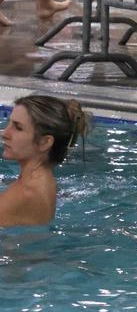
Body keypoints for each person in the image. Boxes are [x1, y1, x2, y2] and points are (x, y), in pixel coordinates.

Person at [0, 95, 89, 227]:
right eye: (9, 123)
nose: (4, 133)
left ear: (45, 142)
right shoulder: (45, 182)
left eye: (18, 128)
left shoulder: (22, 195)